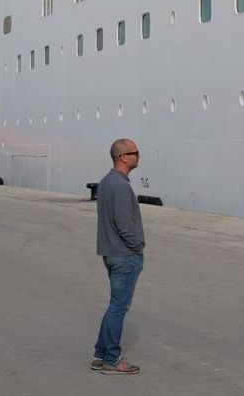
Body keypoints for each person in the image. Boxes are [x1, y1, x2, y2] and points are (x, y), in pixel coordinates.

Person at [91, 138, 145, 376]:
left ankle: (100, 355)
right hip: (124, 255)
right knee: (119, 307)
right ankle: (112, 360)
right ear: (123, 157)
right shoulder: (121, 186)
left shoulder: (106, 182)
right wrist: (138, 247)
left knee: (115, 305)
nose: (139, 156)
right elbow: (124, 224)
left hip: (111, 252)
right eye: (135, 152)